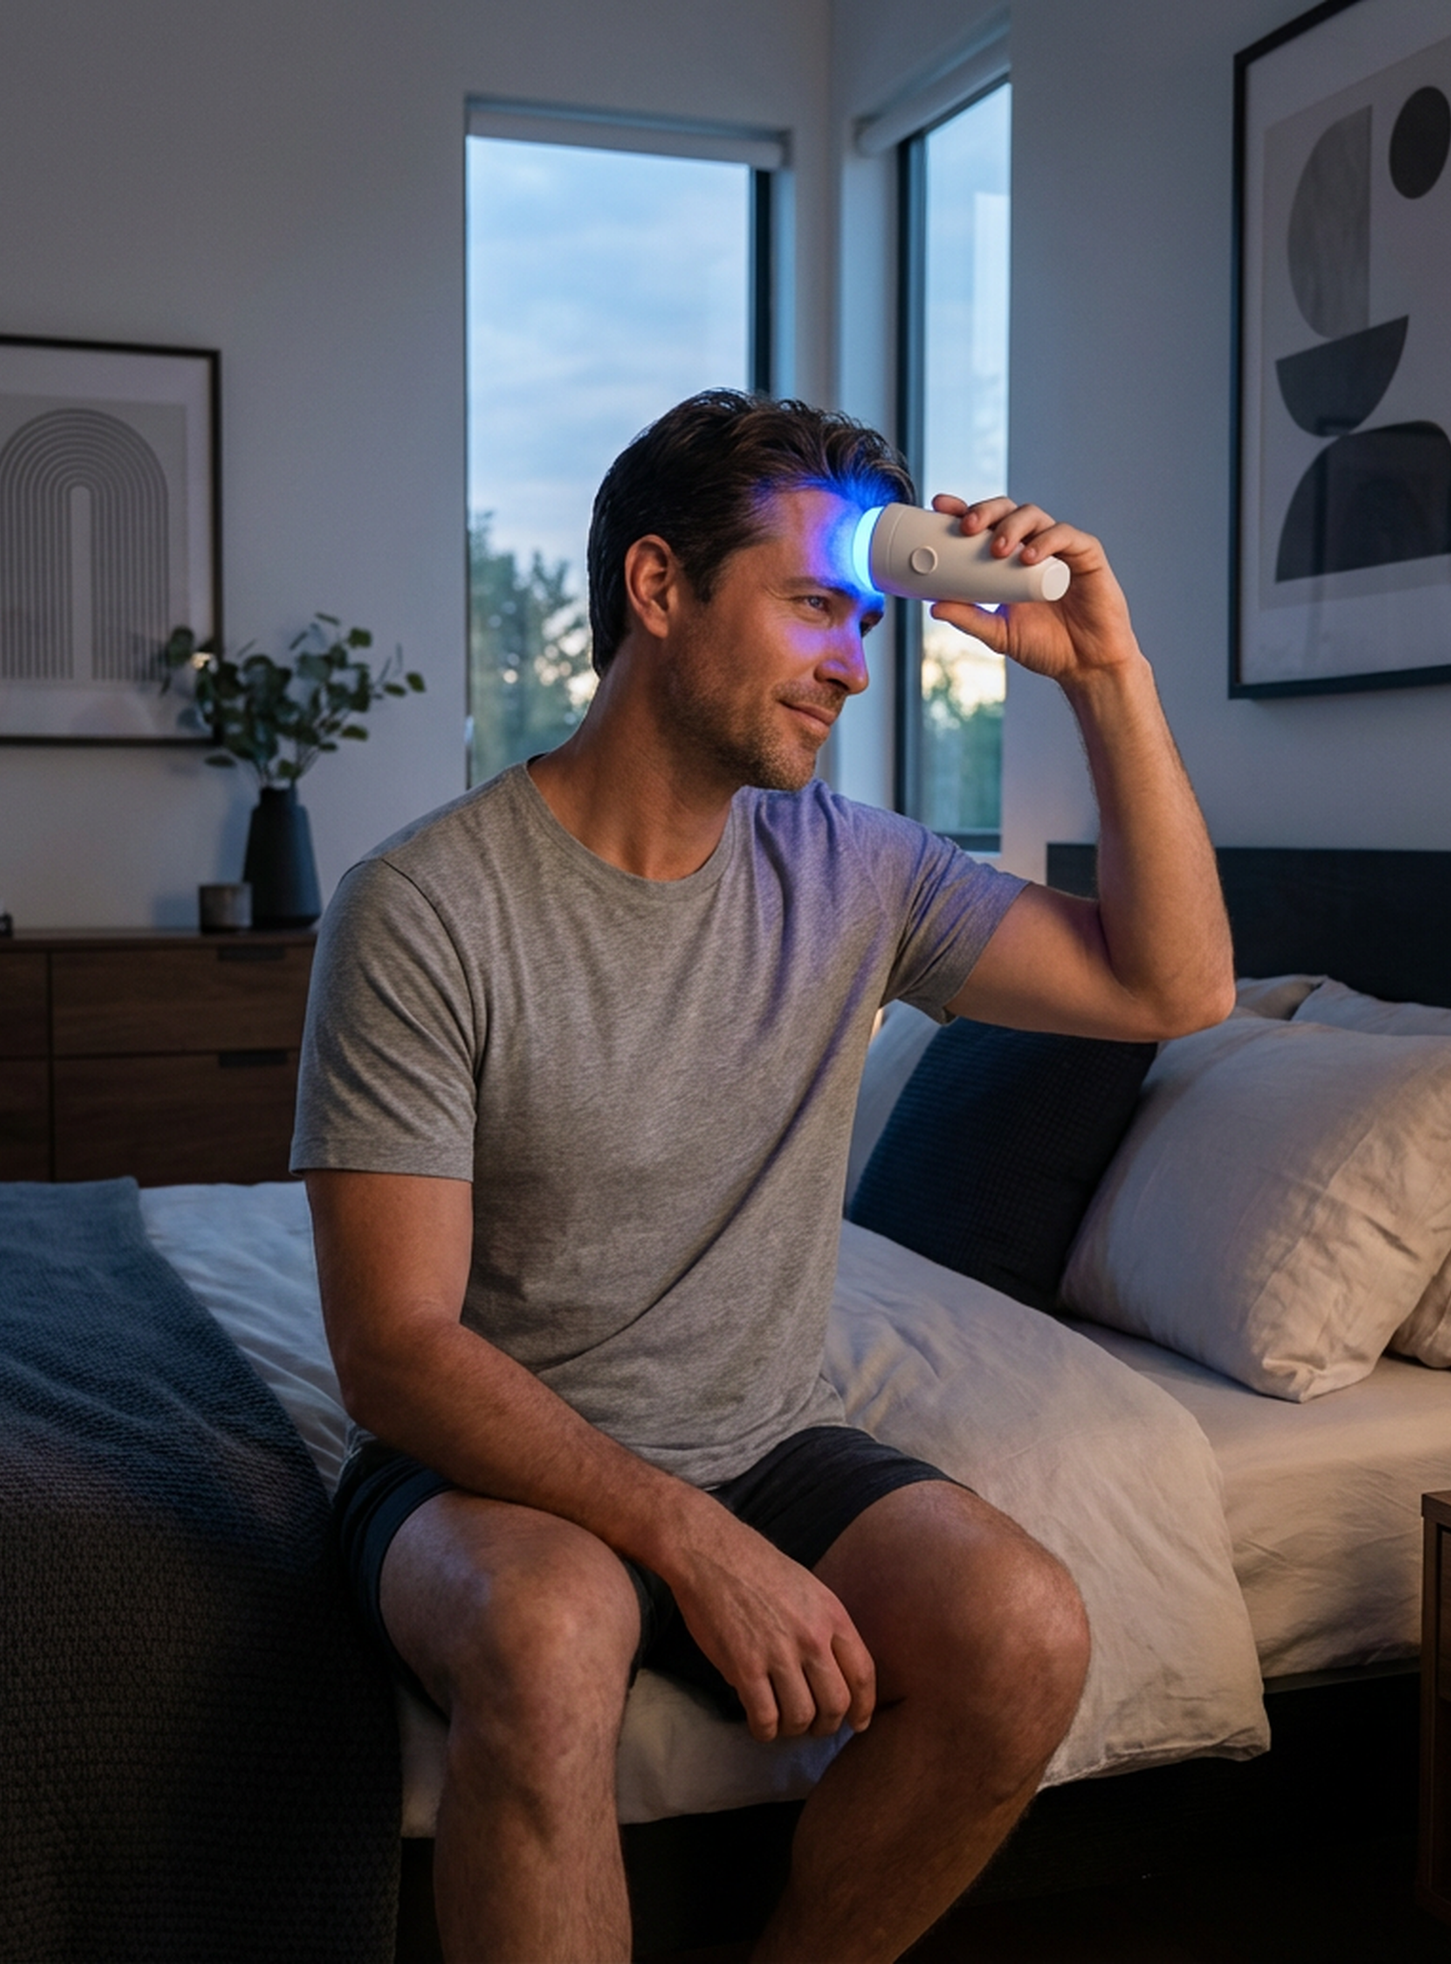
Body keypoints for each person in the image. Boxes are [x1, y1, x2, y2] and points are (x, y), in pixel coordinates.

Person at [294, 390, 1234, 1963]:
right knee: (547, 1632)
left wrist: (1108, 679)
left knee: (1022, 1632)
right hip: (485, 1470)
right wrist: (691, 1540)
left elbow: (1173, 992)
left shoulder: (858, 873)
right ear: (659, 591)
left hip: (764, 1439)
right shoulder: (423, 906)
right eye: (813, 607)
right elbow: (392, 1347)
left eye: (865, 621)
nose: (855, 666)